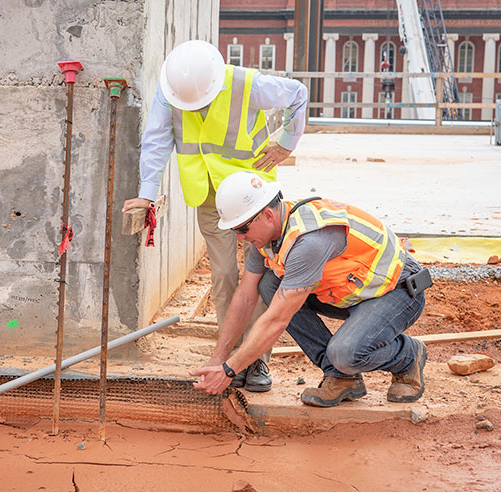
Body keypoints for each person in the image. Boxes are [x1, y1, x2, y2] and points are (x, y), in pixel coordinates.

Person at [122, 40, 308, 393]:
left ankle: (259, 362)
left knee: (263, 277)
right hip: (210, 197)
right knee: (224, 276)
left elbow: (298, 93)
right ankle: (235, 359)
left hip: (254, 198)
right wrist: (147, 193)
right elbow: (157, 139)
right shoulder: (172, 90)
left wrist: (287, 141)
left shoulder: (245, 83)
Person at [190, 171, 432, 407]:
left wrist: (230, 369)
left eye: (242, 229)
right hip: (354, 293)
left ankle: (408, 355)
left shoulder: (309, 240)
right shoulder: (269, 237)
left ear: (266, 215)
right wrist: (218, 359)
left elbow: (276, 320)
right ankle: (340, 378)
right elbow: (245, 296)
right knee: (269, 285)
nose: (239, 238)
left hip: (397, 291)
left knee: (346, 354)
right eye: (235, 231)